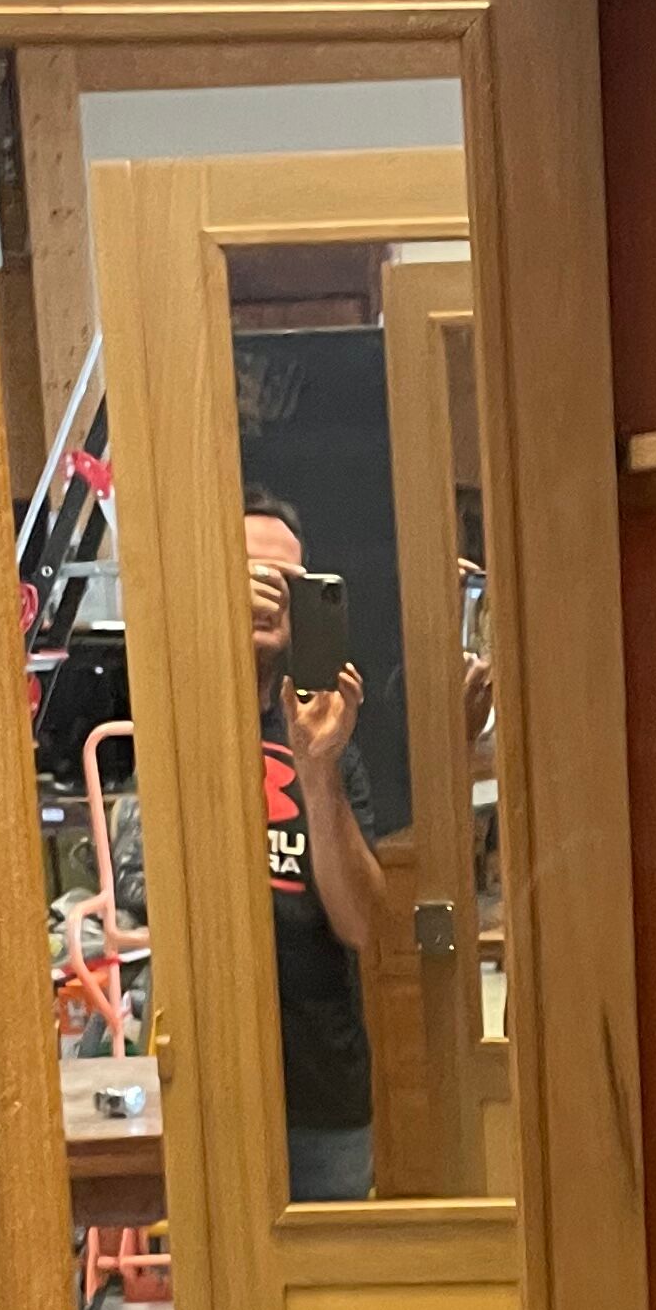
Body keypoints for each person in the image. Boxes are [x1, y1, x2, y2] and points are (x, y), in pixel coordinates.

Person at [244, 497, 384, 1203]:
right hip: (210, 1092)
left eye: (288, 580)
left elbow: (360, 924)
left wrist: (318, 769)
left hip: (323, 1095)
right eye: (251, 574)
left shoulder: (327, 729)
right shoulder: (173, 720)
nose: (271, 591)